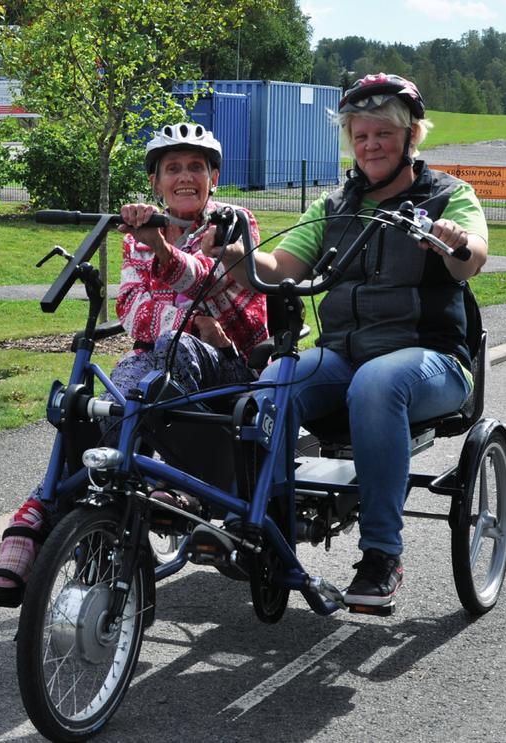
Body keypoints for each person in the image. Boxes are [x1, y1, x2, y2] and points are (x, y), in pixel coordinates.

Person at [208, 73, 488, 608]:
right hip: (345, 357)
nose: (370, 145)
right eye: (360, 136)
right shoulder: (335, 207)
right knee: (272, 384)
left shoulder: (449, 196)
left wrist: (453, 241)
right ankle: (268, 527)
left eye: (383, 133)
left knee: (377, 384)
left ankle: (382, 552)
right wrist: (233, 250)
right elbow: (279, 268)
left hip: (434, 361)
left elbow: (473, 255)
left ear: (411, 136)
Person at [0, 123, 268, 607]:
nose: (184, 177)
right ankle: (57, 501)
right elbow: (132, 311)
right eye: (172, 168)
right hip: (161, 365)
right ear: (155, 181)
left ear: (214, 177)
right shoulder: (141, 232)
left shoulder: (235, 222)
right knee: (94, 401)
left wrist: (162, 255)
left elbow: (207, 281)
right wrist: (187, 320)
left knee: (169, 355)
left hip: (231, 367)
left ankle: (47, 512)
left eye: (196, 167)